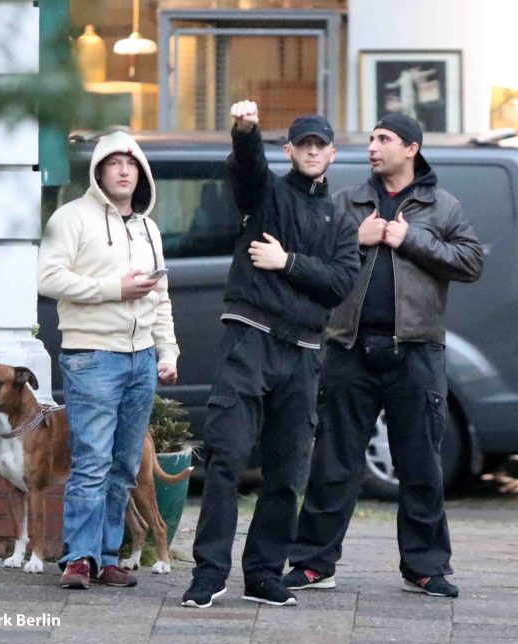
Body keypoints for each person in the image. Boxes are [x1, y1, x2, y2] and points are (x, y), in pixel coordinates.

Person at [285, 112, 484, 599]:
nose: (372, 147)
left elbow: (473, 261)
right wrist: (357, 237)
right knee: (333, 462)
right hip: (349, 347)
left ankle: (425, 567)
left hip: (415, 350)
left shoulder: (441, 205)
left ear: (411, 148)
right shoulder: (348, 202)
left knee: (420, 464)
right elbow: (308, 255)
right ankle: (313, 563)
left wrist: (409, 238)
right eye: (372, 138)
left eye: (384, 138)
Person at [181, 101, 360, 609]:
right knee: (226, 457)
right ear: (289, 150)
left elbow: (342, 283)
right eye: (302, 144)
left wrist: (287, 263)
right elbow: (246, 170)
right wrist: (245, 131)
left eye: (319, 145)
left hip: (304, 353)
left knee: (287, 472)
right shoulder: (266, 195)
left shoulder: (342, 220)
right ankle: (208, 574)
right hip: (250, 339)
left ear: (330, 154)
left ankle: (263, 574)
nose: (311, 151)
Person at [37, 131, 179, 590]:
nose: (123, 170)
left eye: (131, 163)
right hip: (92, 355)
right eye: (113, 162)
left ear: (141, 173)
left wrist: (168, 350)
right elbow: (48, 278)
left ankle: (105, 555)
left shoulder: (148, 227)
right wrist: (112, 289)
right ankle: (77, 558)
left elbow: (161, 297)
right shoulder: (70, 218)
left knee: (122, 465)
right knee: (92, 461)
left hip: (140, 361)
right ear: (98, 171)